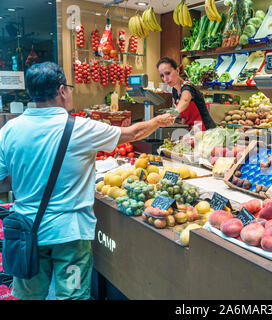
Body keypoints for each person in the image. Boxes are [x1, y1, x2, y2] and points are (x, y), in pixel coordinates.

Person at [0, 62, 174, 300]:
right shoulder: (80, 128)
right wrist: (158, 121)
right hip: (69, 237)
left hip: (26, 233)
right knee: (71, 296)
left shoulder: (9, 130)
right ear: (62, 91)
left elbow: (3, 182)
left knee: (29, 297)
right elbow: (132, 134)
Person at [157, 57, 217, 131]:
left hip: (205, 131)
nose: (165, 79)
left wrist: (173, 114)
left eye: (168, 73)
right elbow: (184, 117)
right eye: (162, 76)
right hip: (192, 131)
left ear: (177, 70)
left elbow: (185, 100)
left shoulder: (188, 87)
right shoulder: (175, 91)